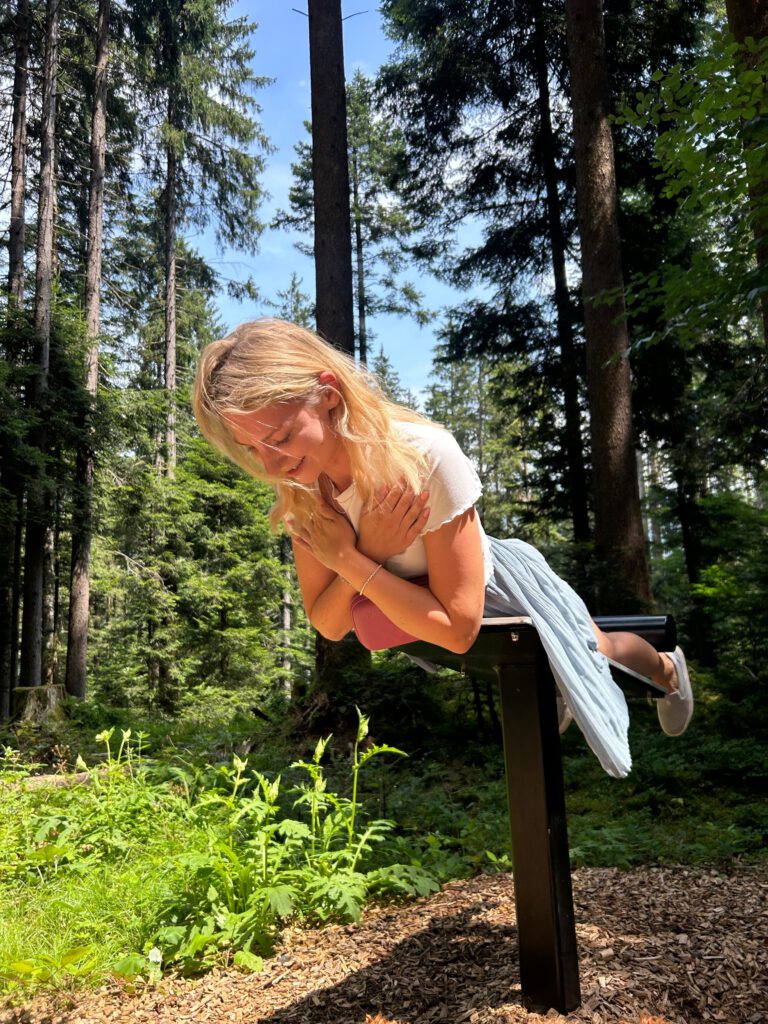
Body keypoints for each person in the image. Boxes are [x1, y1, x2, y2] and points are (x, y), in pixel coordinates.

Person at [192, 318, 693, 778]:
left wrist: (348, 557)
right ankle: (558, 680)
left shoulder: (422, 457)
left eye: (278, 437)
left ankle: (668, 669)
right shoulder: (303, 493)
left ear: (327, 392)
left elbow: (457, 627)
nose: (272, 465)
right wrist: (366, 550)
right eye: (252, 449)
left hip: (500, 588)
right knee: (549, 659)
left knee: (594, 648)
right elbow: (328, 622)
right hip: (417, 608)